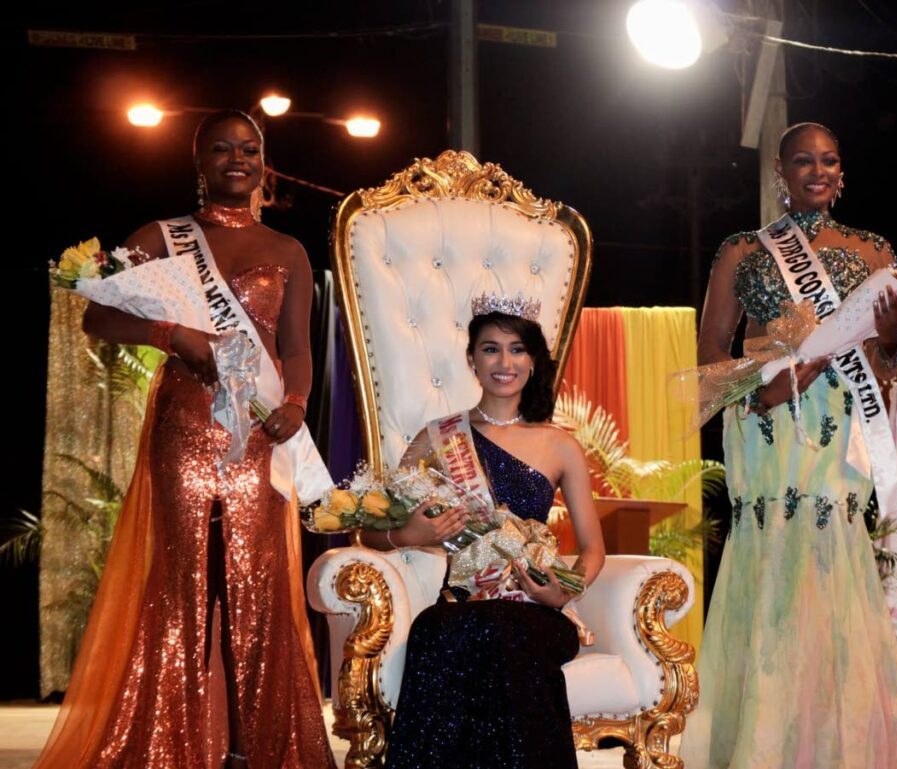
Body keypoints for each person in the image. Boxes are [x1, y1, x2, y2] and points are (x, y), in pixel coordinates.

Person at [34, 110, 336, 769]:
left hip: (256, 434)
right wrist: (173, 336)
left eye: (250, 149)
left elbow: (296, 349)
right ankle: (171, 745)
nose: (238, 158)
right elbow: (100, 316)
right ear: (198, 163)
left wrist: (294, 400)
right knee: (185, 584)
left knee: (256, 586)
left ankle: (256, 747)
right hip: (185, 429)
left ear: (265, 162)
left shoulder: (288, 250)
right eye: (222, 149)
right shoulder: (162, 237)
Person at [681, 122, 897, 768]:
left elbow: (883, 364)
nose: (817, 171)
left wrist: (896, 336)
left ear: (841, 170)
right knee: (773, 561)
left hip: (837, 424)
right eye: (802, 161)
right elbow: (710, 353)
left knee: (831, 562)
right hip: (769, 419)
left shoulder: (874, 249)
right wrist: (759, 390)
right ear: (780, 173)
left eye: (828, 161)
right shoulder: (744, 249)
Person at [358, 301, 605, 769]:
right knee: (443, 629)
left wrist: (562, 591)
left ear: (533, 361)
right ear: (472, 359)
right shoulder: (438, 438)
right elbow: (371, 533)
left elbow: (593, 550)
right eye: (491, 349)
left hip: (533, 610)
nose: (504, 363)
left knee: (502, 630)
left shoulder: (560, 446)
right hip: (464, 604)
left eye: (516, 350)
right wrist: (410, 532)